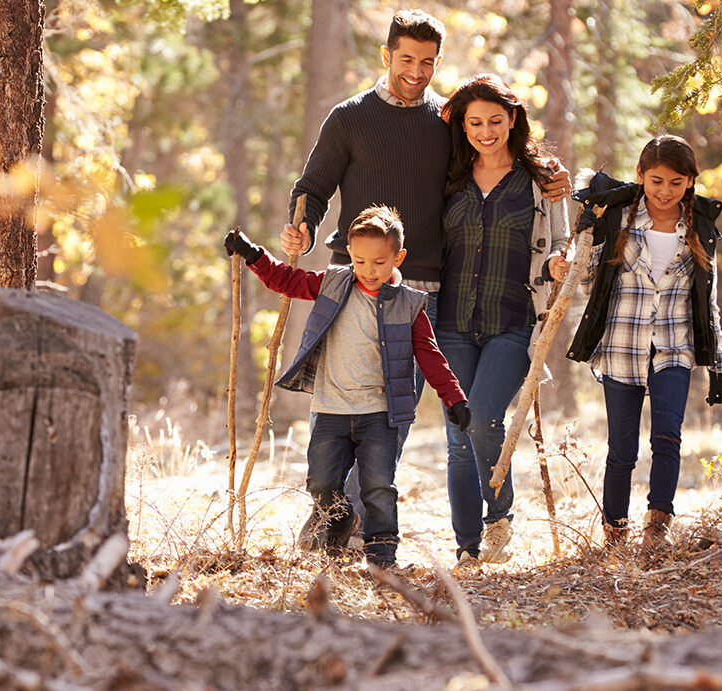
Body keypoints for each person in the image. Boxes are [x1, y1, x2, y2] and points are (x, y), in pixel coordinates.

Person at [279, 8, 569, 545]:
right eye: (406, 58)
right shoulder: (348, 118)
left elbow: (496, 157)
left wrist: (550, 175)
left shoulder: (446, 121)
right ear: (386, 55)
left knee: (395, 416)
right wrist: (300, 226)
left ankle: (346, 522)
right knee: (349, 406)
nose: (416, 70)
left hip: (426, 294)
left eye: (428, 62)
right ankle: (331, 514)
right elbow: (312, 188)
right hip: (356, 286)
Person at [225, 206, 471, 569]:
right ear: (350, 256)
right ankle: (339, 519)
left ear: (398, 258)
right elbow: (288, 281)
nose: (369, 271)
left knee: (377, 487)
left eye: (379, 262)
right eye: (359, 261)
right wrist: (252, 254)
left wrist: (454, 397)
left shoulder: (410, 304)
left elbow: (430, 355)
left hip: (380, 414)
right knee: (320, 483)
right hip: (330, 410)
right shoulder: (334, 283)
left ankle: (382, 555)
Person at [564, 135, 722, 553]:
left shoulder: (699, 229)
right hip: (622, 346)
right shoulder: (619, 219)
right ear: (640, 176)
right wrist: (587, 241)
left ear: (691, 182)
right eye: (656, 180)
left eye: (677, 182)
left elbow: (708, 300)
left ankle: (658, 526)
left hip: (674, 347)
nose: (665, 191)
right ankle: (614, 532)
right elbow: (586, 285)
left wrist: (719, 364)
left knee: (668, 438)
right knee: (622, 448)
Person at [435, 75, 570, 570]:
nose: (486, 131)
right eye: (475, 122)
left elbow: (562, 240)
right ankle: (466, 546)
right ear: (463, 126)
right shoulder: (448, 174)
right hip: (450, 322)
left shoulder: (541, 180)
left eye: (495, 120)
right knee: (457, 434)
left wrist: (560, 261)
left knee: (486, 417)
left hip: (513, 321)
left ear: (512, 119)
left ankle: (499, 513)